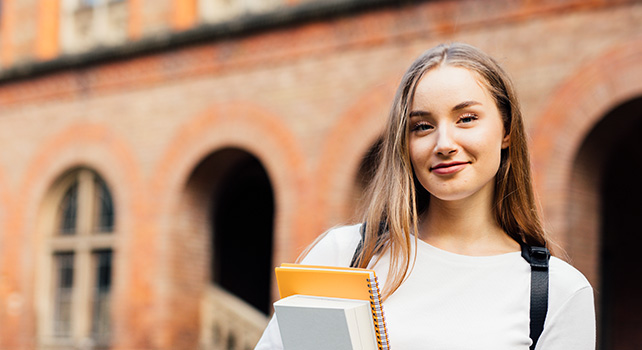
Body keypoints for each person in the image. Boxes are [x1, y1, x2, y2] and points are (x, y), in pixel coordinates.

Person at [254, 43, 596, 349]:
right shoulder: (343, 255)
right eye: (422, 126)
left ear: (506, 131)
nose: (444, 144)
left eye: (466, 118)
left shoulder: (557, 292)